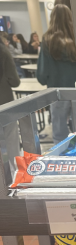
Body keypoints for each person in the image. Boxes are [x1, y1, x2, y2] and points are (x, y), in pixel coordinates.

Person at [37, 4, 76, 144]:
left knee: (59, 134)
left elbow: (42, 75)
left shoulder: (47, 40)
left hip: (58, 92)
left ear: (52, 18)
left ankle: (60, 159)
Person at [0, 38, 21, 175]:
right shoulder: (3, 51)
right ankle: (14, 174)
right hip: (4, 101)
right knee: (10, 138)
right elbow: (15, 81)